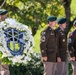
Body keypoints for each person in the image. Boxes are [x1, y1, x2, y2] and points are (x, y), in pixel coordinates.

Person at [0, 9, 10, 75]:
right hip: (2, 50)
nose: (6, 17)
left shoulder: (6, 25)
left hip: (4, 49)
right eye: (5, 15)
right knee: (4, 69)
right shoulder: (3, 26)